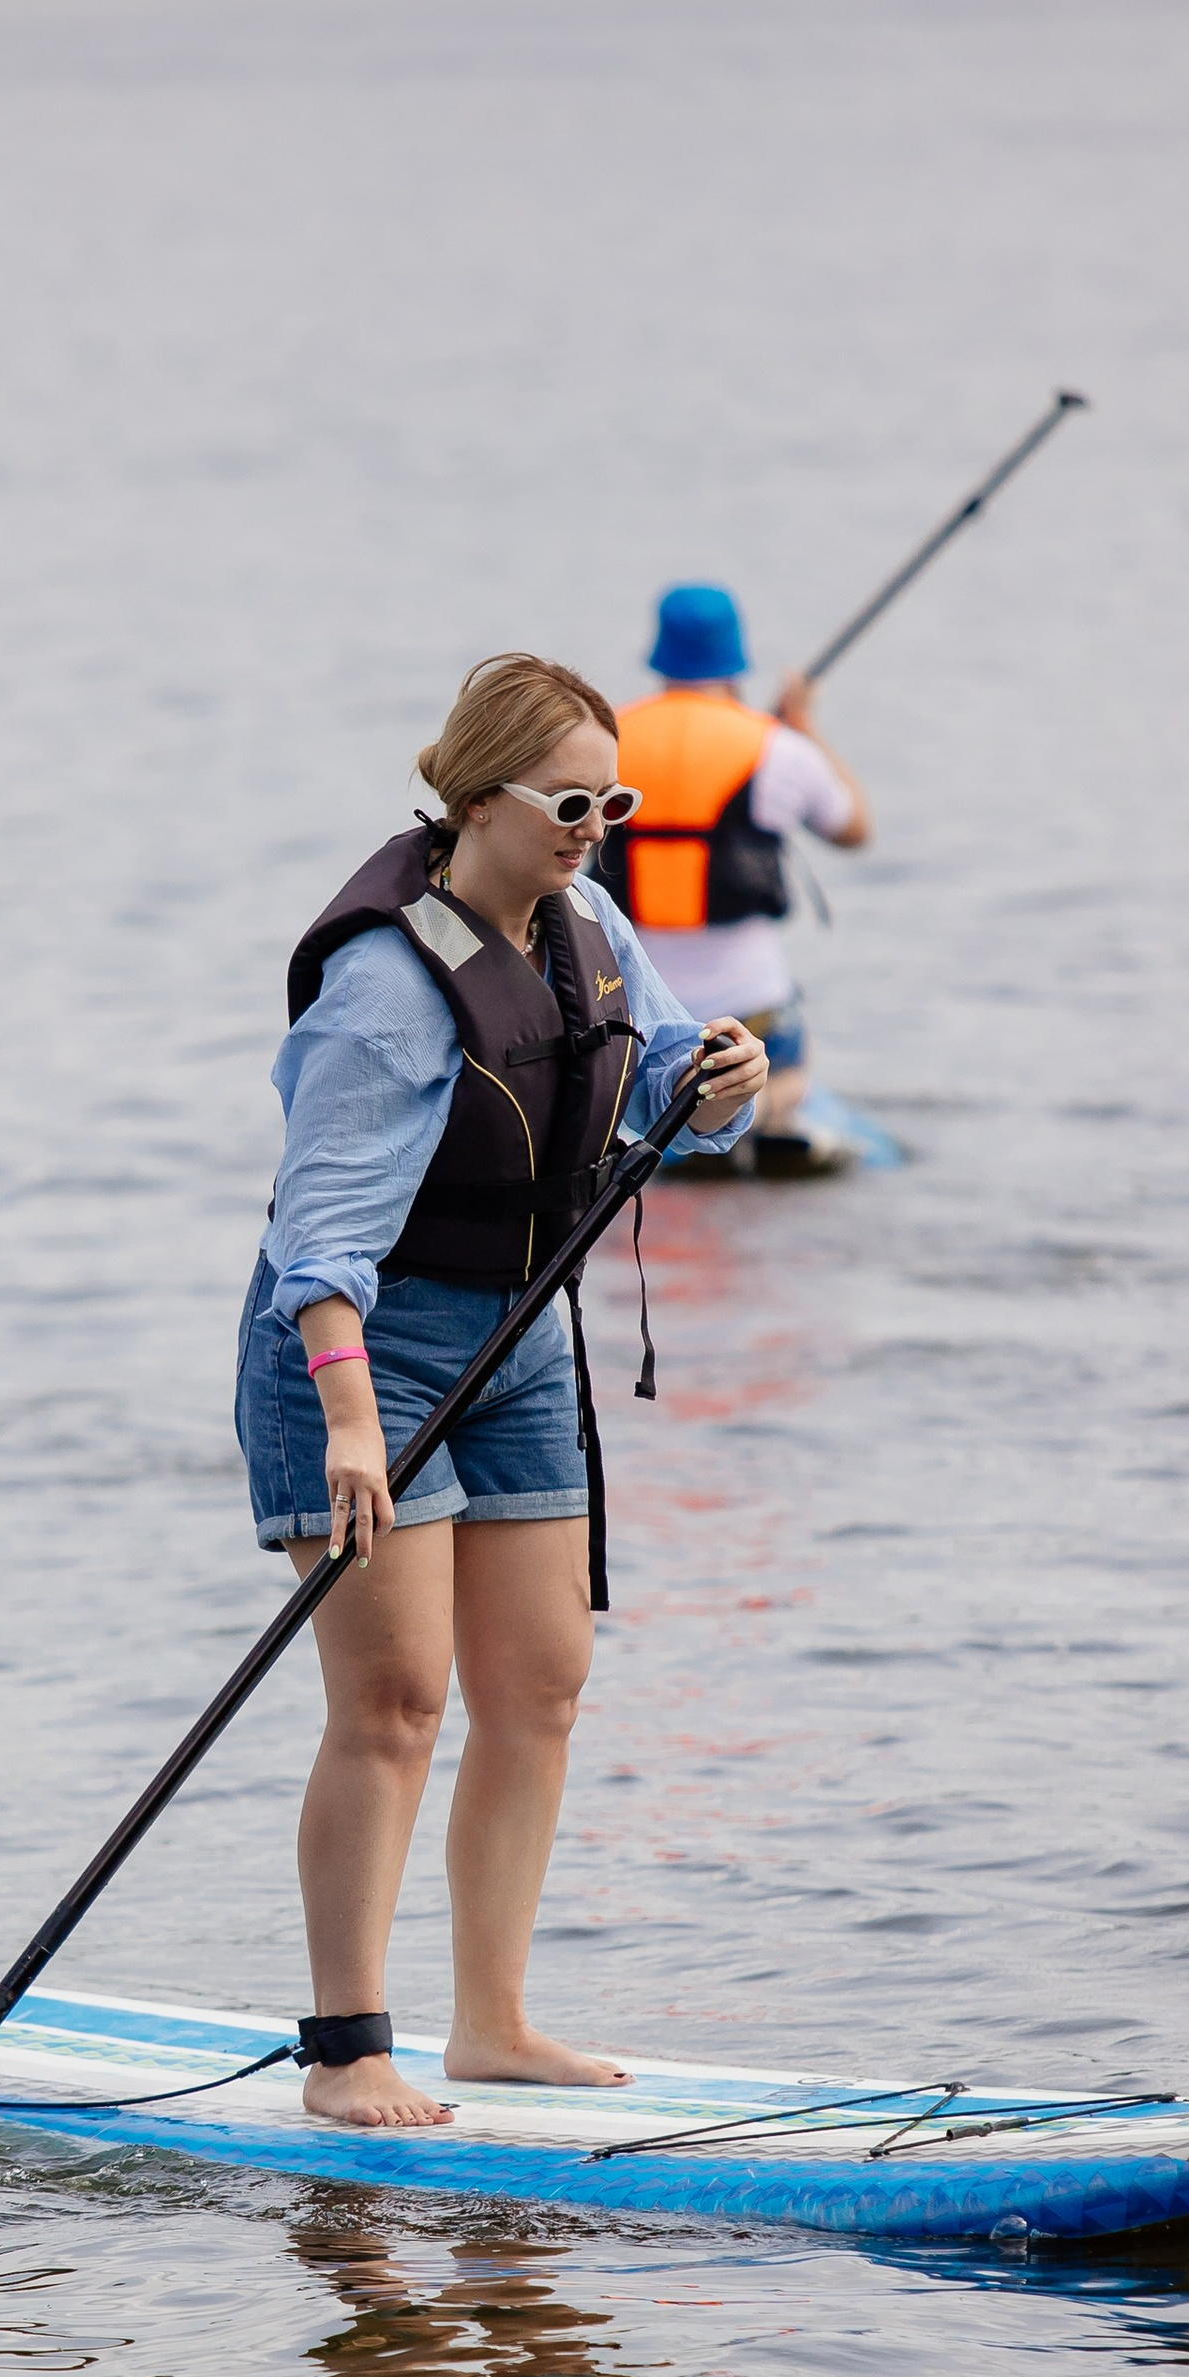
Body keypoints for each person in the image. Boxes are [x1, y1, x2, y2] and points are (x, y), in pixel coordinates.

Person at [235, 652, 767, 2136]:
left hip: (523, 1334)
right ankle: (346, 2049)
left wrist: (727, 1080)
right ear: (477, 800)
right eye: (569, 804)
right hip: (362, 1349)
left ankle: (493, 2027)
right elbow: (320, 1242)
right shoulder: (384, 992)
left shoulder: (584, 924)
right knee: (394, 1703)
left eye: (614, 803)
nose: (597, 830)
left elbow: (669, 1083)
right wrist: (351, 1424)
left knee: (539, 1686)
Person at [594, 582, 872, 1173]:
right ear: (736, 657)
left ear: (660, 653)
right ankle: (766, 1111)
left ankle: (683, 1128)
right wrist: (802, 726)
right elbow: (853, 829)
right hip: (750, 1007)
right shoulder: (778, 748)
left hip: (637, 1008)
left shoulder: (604, 741)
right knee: (785, 1071)